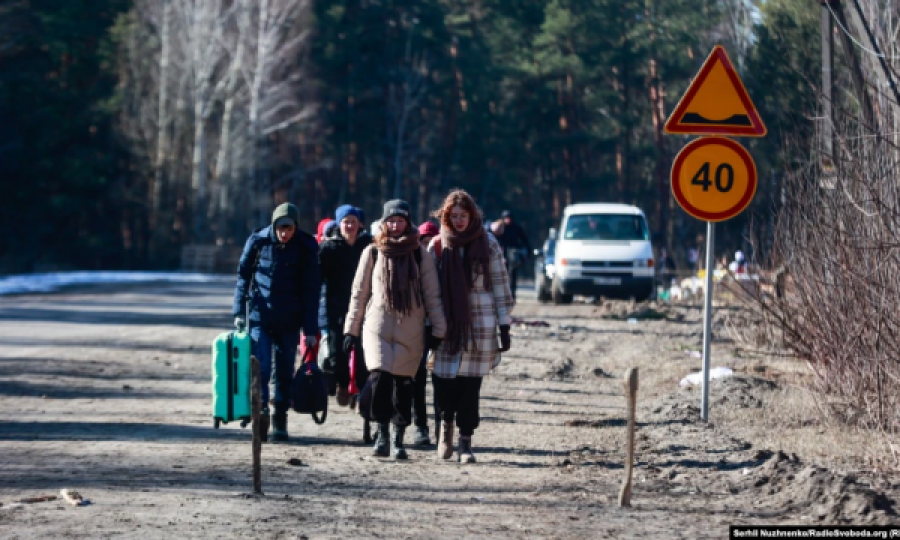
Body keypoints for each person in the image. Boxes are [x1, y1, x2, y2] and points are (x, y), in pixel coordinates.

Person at [344, 200, 447, 459]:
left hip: (410, 329)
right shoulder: (373, 252)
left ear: (408, 222)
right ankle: (382, 435)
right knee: (380, 379)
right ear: (384, 221)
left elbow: (432, 295)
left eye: (400, 220)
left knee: (403, 385)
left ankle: (399, 439)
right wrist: (350, 329)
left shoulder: (419, 254)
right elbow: (359, 293)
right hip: (377, 325)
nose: (395, 225)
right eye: (391, 220)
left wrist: (438, 329)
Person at [429, 190, 513, 463]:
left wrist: (504, 326)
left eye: (463, 215)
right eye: (454, 216)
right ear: (446, 216)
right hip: (447, 324)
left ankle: (466, 442)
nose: (459, 221)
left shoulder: (487, 243)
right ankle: (445, 429)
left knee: (470, 386)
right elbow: (428, 290)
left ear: (472, 215)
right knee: (443, 382)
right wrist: (429, 325)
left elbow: (500, 284)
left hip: (480, 323)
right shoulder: (438, 245)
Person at [233, 202, 320, 442]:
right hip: (260, 318)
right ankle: (260, 414)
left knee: (283, 371)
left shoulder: (305, 248)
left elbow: (311, 291)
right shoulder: (258, 242)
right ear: (274, 225)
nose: (285, 233)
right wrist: (239, 311)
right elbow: (243, 276)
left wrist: (310, 329)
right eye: (281, 227)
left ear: (296, 227)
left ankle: (280, 418)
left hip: (290, 321)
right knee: (260, 367)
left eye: (289, 228)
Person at [319, 204, 373, 407]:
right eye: (345, 221)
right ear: (339, 223)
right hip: (336, 309)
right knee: (336, 354)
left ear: (360, 224)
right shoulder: (328, 248)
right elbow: (317, 280)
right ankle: (342, 384)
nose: (349, 225)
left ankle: (361, 390)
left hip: (364, 309)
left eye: (352, 221)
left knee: (362, 354)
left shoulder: (369, 246)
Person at [412, 220, 440, 447]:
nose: (428, 246)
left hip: (441, 327)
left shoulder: (448, 259)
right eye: (424, 241)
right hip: (418, 327)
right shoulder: (413, 260)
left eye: (432, 241)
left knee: (442, 380)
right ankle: (420, 425)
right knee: (418, 379)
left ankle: (442, 424)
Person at [495, 210, 531, 301]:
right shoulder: (501, 228)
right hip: (502, 254)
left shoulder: (516, 228)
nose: (508, 220)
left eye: (509, 218)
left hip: (514, 254)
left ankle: (512, 295)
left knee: (512, 275)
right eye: (506, 218)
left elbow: (524, 240)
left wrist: (526, 251)